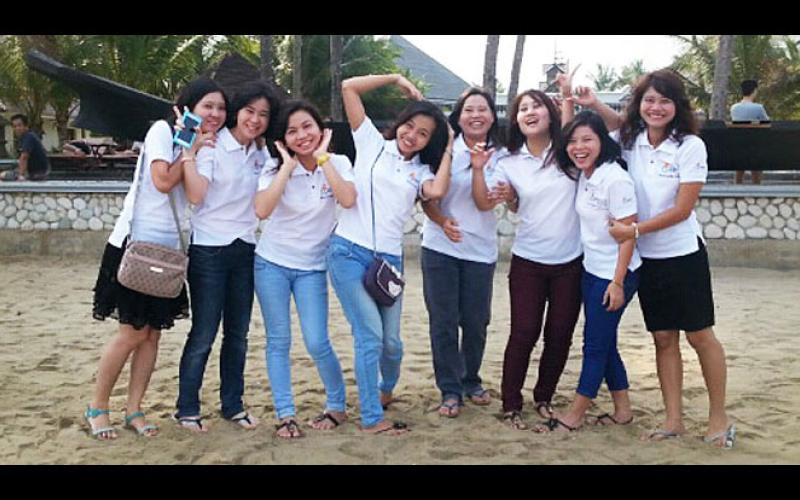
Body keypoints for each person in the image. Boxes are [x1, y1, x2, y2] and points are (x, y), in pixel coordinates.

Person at [572, 69, 735, 448]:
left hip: (683, 255)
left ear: (677, 106)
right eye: (649, 100)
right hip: (648, 260)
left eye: (665, 100)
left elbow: (682, 209)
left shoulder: (690, 146)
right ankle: (673, 420)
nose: (656, 107)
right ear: (639, 104)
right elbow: (611, 126)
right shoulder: (631, 140)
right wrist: (592, 102)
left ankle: (719, 418)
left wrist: (634, 231)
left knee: (700, 336)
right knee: (663, 338)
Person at [86, 77, 228, 440]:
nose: (215, 113)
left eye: (220, 108)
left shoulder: (206, 145)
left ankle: (134, 409)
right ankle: (98, 407)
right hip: (136, 245)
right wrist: (190, 147)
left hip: (172, 251)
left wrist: (195, 148)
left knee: (151, 337)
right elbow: (162, 181)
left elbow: (195, 195)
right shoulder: (163, 132)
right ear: (188, 107)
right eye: (207, 106)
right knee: (130, 333)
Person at [327, 73, 452, 435]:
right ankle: (371, 418)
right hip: (348, 253)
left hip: (388, 264)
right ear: (400, 123)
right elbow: (348, 87)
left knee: (392, 344)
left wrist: (448, 145)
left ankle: (385, 390)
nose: (412, 135)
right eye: (409, 126)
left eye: (423, 134)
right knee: (370, 336)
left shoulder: (421, 171)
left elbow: (437, 190)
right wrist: (397, 79)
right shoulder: (370, 142)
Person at [472, 89, 583, 431]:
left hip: (571, 262)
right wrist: (506, 195)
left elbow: (573, 130)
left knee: (560, 334)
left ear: (550, 113)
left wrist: (568, 98)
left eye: (537, 106)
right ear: (516, 119)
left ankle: (544, 397)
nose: (530, 112)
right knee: (524, 332)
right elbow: (496, 201)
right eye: (523, 109)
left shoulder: (568, 152)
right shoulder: (508, 160)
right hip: (528, 261)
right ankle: (511, 403)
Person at [175, 81, 280, 433]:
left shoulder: (262, 153)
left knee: (238, 334)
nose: (255, 120)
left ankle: (232, 405)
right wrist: (190, 151)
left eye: (263, 114)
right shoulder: (212, 145)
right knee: (204, 333)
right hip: (209, 249)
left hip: (245, 248)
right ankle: (187, 408)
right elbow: (195, 195)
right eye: (249, 111)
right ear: (238, 112)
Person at [253, 100, 356, 438]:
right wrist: (287, 166)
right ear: (282, 139)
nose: (301, 135)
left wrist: (323, 158)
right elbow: (262, 210)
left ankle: (336, 405)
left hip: (312, 268)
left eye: (307, 126)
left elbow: (348, 199)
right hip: (271, 264)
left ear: (321, 129)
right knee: (278, 341)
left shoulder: (338, 162)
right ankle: (285, 415)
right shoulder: (273, 167)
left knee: (317, 341)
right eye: (292, 131)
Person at [534, 111, 641, 433]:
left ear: (602, 142)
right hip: (591, 269)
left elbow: (628, 236)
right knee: (605, 343)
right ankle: (623, 410)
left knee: (593, 345)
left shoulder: (615, 179)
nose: (579, 147)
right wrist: (567, 100)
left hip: (615, 274)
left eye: (587, 140)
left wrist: (617, 283)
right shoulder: (586, 173)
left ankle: (576, 414)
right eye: (573, 141)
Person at [419, 88, 502, 418]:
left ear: (492, 116)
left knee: (476, 321)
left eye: (483, 109)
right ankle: (450, 389)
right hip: (440, 248)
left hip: (481, 251)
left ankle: (470, 379)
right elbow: (428, 199)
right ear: (458, 116)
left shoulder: (502, 153)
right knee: (443, 322)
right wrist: (442, 222)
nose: (476, 115)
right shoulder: (442, 148)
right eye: (469, 110)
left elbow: (486, 203)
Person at [731, 79, 769, 184]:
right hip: (755, 144)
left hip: (739, 144)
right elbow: (766, 122)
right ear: (754, 91)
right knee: (756, 166)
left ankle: (737, 186)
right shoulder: (758, 108)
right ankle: (757, 186)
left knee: (740, 167)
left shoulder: (734, 108)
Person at [1, 114, 50, 181]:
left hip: (37, 174)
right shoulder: (25, 137)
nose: (17, 128)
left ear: (26, 126)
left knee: (2, 176)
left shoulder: (29, 137)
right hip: (34, 172)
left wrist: (20, 175)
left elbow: (24, 157)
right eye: (14, 126)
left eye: (19, 125)